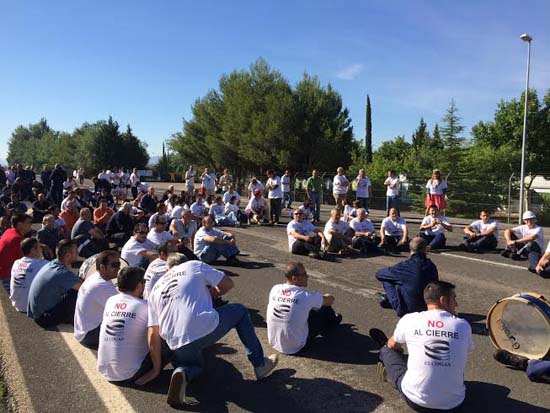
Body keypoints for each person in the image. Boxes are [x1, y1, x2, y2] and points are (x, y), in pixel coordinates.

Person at [145, 260, 279, 405]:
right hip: (203, 328)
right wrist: (207, 294)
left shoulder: (155, 289)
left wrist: (156, 369)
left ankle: (183, 372)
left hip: (175, 342)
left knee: (195, 366)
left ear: (168, 270)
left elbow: (153, 332)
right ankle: (260, 365)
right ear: (184, 261)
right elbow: (227, 284)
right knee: (240, 311)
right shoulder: (193, 265)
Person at [371, 281, 474, 412]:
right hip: (454, 403)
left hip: (417, 401)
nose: (456, 304)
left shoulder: (410, 319)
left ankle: (385, 360)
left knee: (386, 349)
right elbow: (466, 349)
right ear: (443, 300)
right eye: (454, 299)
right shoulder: (463, 325)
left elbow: (392, 344)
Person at [98, 266, 173, 383]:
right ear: (139, 286)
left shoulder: (111, 300)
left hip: (106, 371)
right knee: (170, 335)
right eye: (144, 282)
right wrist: (155, 370)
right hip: (131, 373)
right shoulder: (146, 306)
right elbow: (153, 337)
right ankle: (184, 369)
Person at [267, 262, 341, 354]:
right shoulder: (305, 296)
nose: (307, 276)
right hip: (296, 347)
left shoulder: (275, 289)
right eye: (304, 274)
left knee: (303, 309)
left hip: (274, 343)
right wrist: (324, 296)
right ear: (294, 278)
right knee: (325, 309)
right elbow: (330, 300)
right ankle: (332, 322)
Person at [375, 237, 439, 316]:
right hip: (429, 307)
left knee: (388, 279)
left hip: (409, 310)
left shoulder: (405, 266)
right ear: (425, 249)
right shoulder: (431, 265)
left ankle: (395, 302)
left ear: (410, 248)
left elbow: (379, 274)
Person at [27, 240, 82, 327]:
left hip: (37, 313)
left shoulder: (53, 264)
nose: (78, 253)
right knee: (77, 294)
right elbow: (85, 288)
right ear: (68, 255)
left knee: (72, 289)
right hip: (44, 318)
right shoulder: (62, 273)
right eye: (76, 252)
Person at [73, 251, 119, 349]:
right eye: (114, 265)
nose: (118, 268)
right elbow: (123, 308)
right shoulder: (102, 286)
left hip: (83, 330)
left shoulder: (94, 277)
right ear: (102, 267)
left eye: (118, 264)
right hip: (90, 335)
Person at [10, 238, 48, 312]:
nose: (42, 250)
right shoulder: (43, 264)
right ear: (33, 250)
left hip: (18, 304)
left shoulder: (16, 263)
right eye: (40, 248)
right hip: (32, 307)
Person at [0, 214, 32, 291]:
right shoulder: (17, 239)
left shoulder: (9, 231)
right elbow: (26, 261)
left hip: (5, 272)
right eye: (28, 222)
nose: (31, 225)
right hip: (9, 276)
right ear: (20, 225)